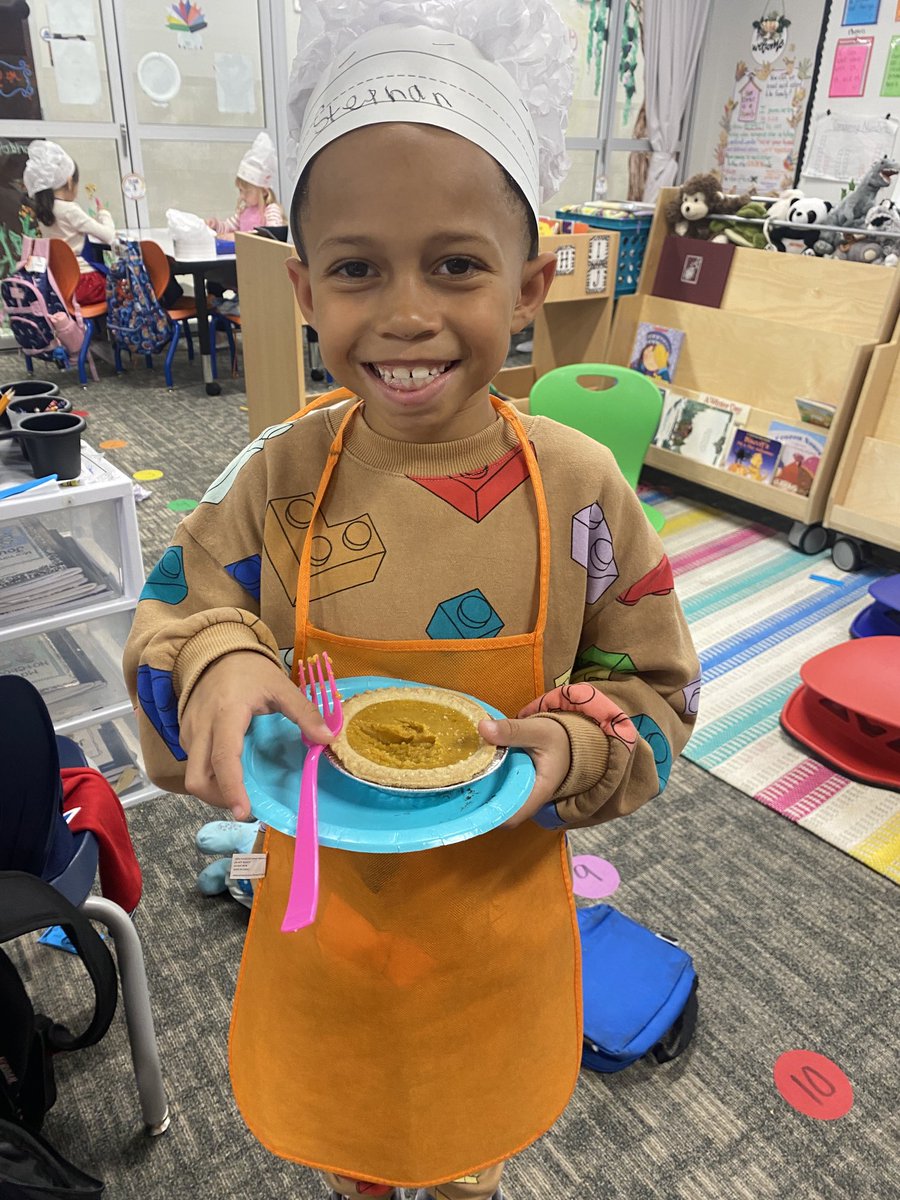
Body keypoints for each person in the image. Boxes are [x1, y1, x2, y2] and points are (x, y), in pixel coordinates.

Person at [123, 4, 700, 1199]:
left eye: (456, 264)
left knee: (464, 1160)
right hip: (324, 931)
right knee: (357, 1160)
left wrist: (573, 747)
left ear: (531, 284)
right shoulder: (279, 471)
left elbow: (655, 692)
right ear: (301, 287)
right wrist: (220, 654)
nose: (404, 313)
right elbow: (175, 611)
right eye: (355, 268)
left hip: (495, 932)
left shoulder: (582, 491)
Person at [23, 139, 114, 306]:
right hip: (85, 284)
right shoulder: (70, 209)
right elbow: (109, 236)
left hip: (59, 285)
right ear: (70, 181)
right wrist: (104, 213)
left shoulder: (45, 211)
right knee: (125, 288)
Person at [205, 131, 286, 237]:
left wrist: (239, 237)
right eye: (240, 191)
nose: (242, 196)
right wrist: (215, 225)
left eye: (247, 192)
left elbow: (272, 235)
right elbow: (227, 227)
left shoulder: (271, 210)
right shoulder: (243, 212)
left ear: (264, 192)